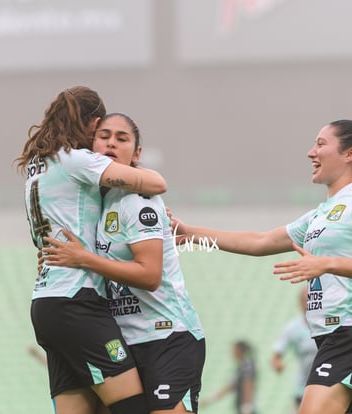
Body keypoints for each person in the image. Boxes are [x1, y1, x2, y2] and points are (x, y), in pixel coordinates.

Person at [168, 119, 352, 414]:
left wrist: (324, 263)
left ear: (349, 154)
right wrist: (190, 234)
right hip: (332, 337)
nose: (310, 152)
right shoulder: (320, 214)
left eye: (320, 144)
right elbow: (260, 241)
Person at [15, 87, 167, 414]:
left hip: (46, 302)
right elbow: (156, 184)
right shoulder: (77, 159)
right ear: (94, 123)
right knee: (133, 408)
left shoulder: (36, 165)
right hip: (77, 301)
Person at [41, 112, 206, 414]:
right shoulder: (96, 204)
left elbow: (150, 275)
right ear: (90, 148)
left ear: (137, 153)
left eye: (122, 138)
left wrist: (84, 259)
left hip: (166, 336)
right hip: (126, 338)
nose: (112, 143)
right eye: (104, 136)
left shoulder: (139, 199)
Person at [271, 286, 317, 412]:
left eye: (311, 300)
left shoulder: (329, 324)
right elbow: (276, 355)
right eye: (305, 300)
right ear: (300, 303)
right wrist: (277, 363)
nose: (308, 304)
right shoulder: (292, 328)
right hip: (303, 389)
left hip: (328, 385)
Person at [201, 340, 258, 414]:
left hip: (246, 408)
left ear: (239, 351)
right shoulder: (240, 367)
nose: (232, 352)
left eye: (234, 350)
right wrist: (210, 400)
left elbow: (248, 385)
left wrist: (247, 406)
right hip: (242, 408)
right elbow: (229, 387)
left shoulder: (247, 366)